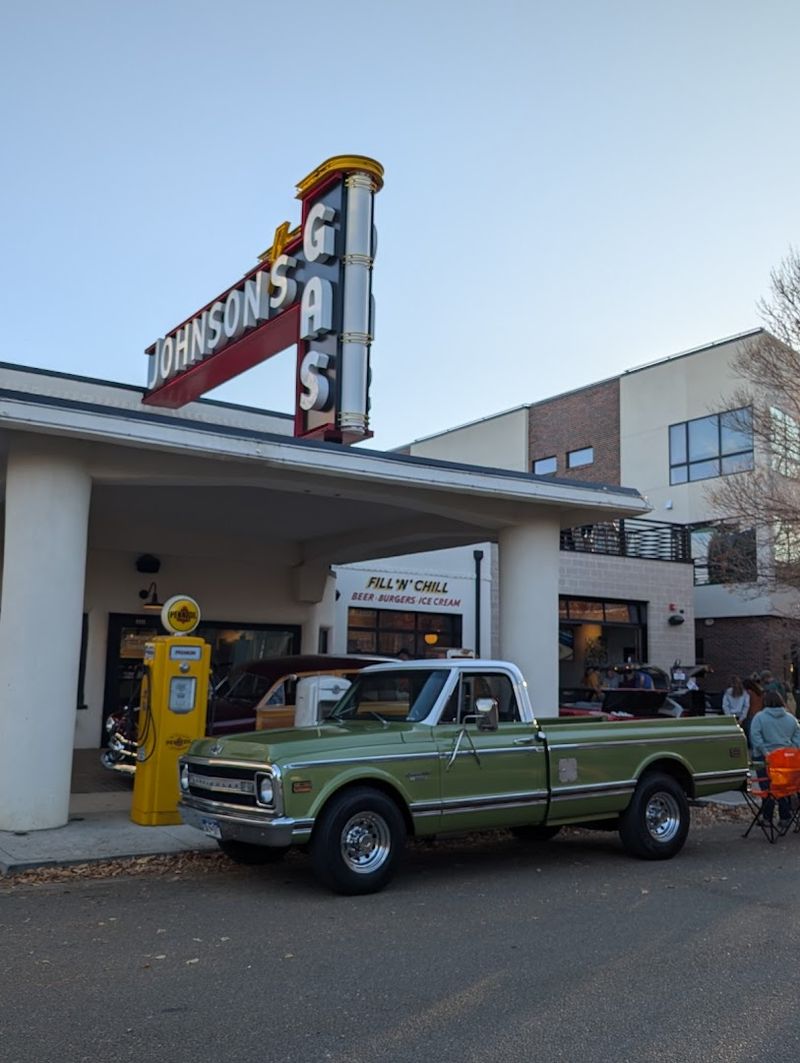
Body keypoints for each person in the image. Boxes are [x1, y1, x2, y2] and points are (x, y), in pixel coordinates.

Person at [749, 690, 800, 827]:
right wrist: (789, 751)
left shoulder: (759, 717)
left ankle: (767, 818)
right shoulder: (791, 719)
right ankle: (785, 816)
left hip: (761, 759)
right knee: (782, 787)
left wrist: (766, 752)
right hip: (785, 760)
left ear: (766, 702)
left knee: (767, 789)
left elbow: (755, 736)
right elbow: (797, 738)